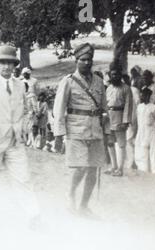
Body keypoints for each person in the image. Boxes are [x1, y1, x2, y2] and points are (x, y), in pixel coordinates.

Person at [0, 46, 41, 225]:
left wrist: (25, 127)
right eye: (2, 63)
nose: (6, 67)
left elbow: (25, 110)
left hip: (15, 141)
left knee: (23, 177)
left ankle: (33, 214)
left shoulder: (20, 86)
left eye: (10, 63)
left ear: (15, 66)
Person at [53, 43, 111, 217]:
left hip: (96, 131)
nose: (86, 63)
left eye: (89, 60)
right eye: (83, 60)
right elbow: (59, 109)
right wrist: (58, 134)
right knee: (81, 168)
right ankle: (70, 194)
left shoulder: (99, 82)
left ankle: (84, 206)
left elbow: (105, 109)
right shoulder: (68, 81)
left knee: (93, 169)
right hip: (76, 130)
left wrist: (107, 132)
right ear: (76, 61)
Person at [104, 62, 133, 177]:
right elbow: (105, 104)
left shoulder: (126, 88)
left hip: (120, 117)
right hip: (109, 118)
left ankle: (120, 169)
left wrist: (125, 121)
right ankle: (113, 166)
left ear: (120, 75)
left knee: (121, 144)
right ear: (110, 76)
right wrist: (104, 117)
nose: (114, 76)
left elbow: (128, 106)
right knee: (110, 143)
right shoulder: (109, 88)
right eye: (112, 75)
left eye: (117, 74)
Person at [135, 72, 155, 174]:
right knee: (141, 149)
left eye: (146, 95)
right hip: (142, 130)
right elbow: (137, 119)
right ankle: (143, 169)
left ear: (149, 96)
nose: (144, 97)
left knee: (154, 151)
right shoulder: (139, 107)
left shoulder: (154, 108)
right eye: (143, 95)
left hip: (151, 130)